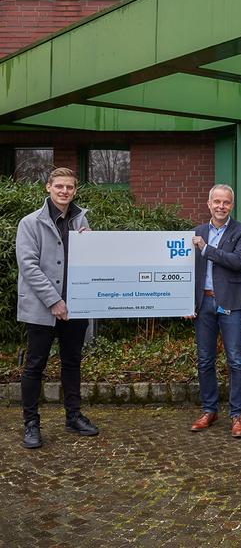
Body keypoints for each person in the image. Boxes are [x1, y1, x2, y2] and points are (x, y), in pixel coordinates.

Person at [16, 167, 99, 449]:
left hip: (76, 307)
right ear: (48, 188)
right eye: (59, 186)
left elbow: (94, 262)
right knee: (35, 365)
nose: (65, 191)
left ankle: (73, 416)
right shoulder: (30, 223)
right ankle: (31, 423)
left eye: (70, 187)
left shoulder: (81, 220)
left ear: (75, 191)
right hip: (43, 308)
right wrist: (54, 301)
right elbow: (28, 266)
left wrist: (91, 244)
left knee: (72, 362)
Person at [189, 184, 241, 438]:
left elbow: (237, 262)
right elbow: (187, 271)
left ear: (231, 206)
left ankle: (238, 414)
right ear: (208, 204)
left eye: (226, 202)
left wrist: (206, 249)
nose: (221, 206)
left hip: (231, 303)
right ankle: (209, 410)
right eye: (216, 201)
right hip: (203, 303)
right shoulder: (196, 231)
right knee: (204, 359)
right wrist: (185, 303)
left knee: (235, 360)